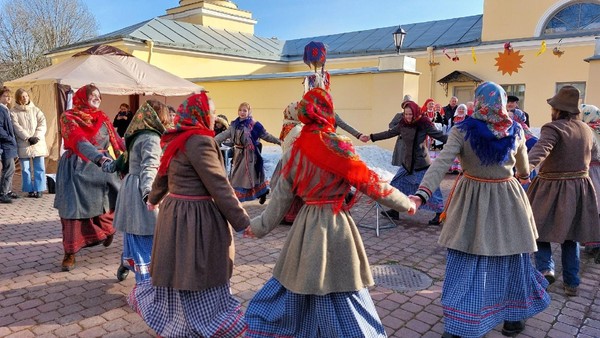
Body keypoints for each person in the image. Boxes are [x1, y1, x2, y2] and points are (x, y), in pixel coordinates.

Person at [244, 88, 416, 337]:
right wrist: (406, 203)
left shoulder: (295, 151)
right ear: (328, 113)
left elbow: (279, 201)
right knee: (343, 287)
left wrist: (257, 227)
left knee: (301, 282)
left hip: (305, 227)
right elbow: (371, 184)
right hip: (337, 226)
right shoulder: (340, 147)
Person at [411, 81, 550, 337]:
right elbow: (522, 170)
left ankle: (460, 325)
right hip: (509, 200)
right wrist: (520, 175)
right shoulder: (516, 130)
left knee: (467, 258)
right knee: (511, 257)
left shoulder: (463, 130)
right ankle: (513, 318)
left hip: (472, 199)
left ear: (479, 101)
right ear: (501, 101)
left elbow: (441, 163)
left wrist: (422, 194)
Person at [132, 92, 250, 337]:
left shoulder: (179, 137)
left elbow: (162, 175)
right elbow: (219, 186)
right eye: (212, 111)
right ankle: (201, 319)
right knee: (197, 267)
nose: (215, 116)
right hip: (195, 216)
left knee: (179, 267)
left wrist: (154, 199)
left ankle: (176, 319)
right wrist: (242, 222)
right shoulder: (199, 141)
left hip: (174, 213)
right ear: (200, 114)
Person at [527, 85, 600, 297]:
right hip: (579, 188)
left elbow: (539, 152)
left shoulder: (553, 128)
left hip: (551, 187)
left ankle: (545, 270)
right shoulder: (586, 129)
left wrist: (521, 172)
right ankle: (572, 283)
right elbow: (595, 155)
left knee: (537, 230)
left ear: (557, 109)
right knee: (571, 237)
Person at [54, 84, 124, 271]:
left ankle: (107, 232)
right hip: (76, 168)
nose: (96, 98)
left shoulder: (103, 118)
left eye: (99, 96)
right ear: (82, 97)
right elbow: (78, 141)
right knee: (72, 211)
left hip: (102, 169)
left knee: (109, 203)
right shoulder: (68, 117)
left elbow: (117, 141)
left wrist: (138, 147)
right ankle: (70, 253)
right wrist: (99, 158)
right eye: (92, 95)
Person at [107, 100, 170, 282]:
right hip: (142, 188)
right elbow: (149, 167)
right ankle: (145, 283)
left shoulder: (138, 134)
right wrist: (150, 194)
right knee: (146, 234)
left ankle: (127, 261)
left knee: (134, 231)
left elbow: (124, 160)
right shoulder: (152, 138)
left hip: (132, 186)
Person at [368, 100, 447, 225]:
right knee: (396, 183)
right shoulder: (402, 124)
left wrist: (457, 142)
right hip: (407, 162)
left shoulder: (423, 123)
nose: (408, 117)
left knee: (429, 188)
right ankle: (395, 209)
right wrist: (371, 137)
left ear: (415, 113)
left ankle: (440, 213)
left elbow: (439, 135)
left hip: (421, 163)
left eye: (410, 114)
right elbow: (389, 133)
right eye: (406, 114)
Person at [214, 102, 281, 204]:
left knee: (242, 178)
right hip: (238, 155)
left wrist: (279, 141)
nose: (242, 112)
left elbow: (266, 136)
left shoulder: (255, 126)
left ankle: (237, 200)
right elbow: (224, 135)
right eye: (240, 110)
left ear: (249, 112)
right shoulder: (234, 125)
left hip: (250, 156)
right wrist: (212, 141)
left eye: (245, 110)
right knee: (246, 178)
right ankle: (261, 192)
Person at [10, 88, 48, 198]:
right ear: (18, 98)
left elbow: (42, 123)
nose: (25, 98)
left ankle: (39, 188)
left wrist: (36, 136)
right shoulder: (13, 112)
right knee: (25, 169)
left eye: (26, 96)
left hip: (37, 143)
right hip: (24, 144)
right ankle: (29, 189)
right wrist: (27, 137)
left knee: (39, 167)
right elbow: (16, 127)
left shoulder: (36, 110)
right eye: (22, 96)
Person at [270, 101, 304, 225]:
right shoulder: (297, 129)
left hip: (284, 161)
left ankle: (282, 214)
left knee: (282, 189)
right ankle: (291, 215)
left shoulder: (286, 126)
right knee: (293, 189)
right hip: (293, 162)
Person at [581, 103, 600, 263]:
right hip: (597, 171)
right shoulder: (598, 127)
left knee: (592, 206)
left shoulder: (588, 131)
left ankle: (594, 243)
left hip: (591, 172)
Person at [0, 87, 18, 204]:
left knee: (11, 169)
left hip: (9, 144)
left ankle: (8, 190)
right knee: (9, 168)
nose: (9, 98)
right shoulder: (1, 110)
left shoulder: (6, 109)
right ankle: (3, 193)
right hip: (5, 144)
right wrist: (9, 138)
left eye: (9, 96)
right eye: (6, 96)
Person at [448, 103, 468, 174]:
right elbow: (449, 128)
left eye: (463, 109)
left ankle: (462, 169)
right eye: (460, 109)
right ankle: (453, 168)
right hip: (454, 137)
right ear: (457, 109)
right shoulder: (453, 118)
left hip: (464, 138)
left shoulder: (468, 118)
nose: (461, 110)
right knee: (453, 151)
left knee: (462, 152)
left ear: (465, 110)